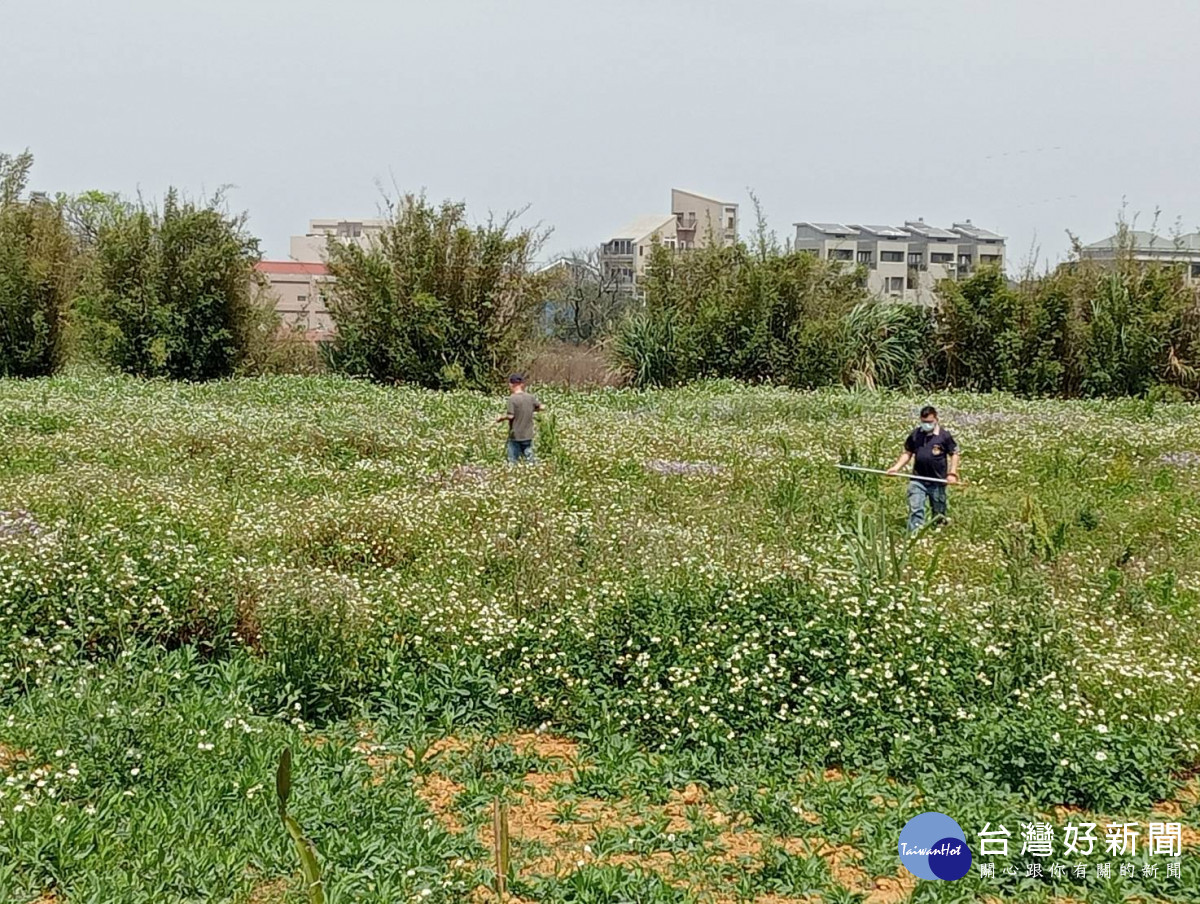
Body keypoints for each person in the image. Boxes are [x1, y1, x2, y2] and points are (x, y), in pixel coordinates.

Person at [886, 405, 960, 531]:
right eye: (924, 422)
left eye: (930, 422)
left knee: (938, 509)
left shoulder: (944, 436)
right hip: (918, 479)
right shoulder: (916, 434)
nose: (927, 424)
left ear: (936, 419)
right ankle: (915, 533)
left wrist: (952, 473)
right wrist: (896, 467)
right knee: (916, 508)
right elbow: (908, 453)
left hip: (937, 480)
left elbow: (954, 454)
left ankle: (939, 532)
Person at [496, 374, 544, 463]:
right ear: (522, 384)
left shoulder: (512, 399)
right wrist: (532, 409)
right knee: (529, 459)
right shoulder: (530, 397)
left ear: (511, 385)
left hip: (516, 436)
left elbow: (511, 416)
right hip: (528, 434)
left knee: (513, 461)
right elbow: (541, 407)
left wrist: (500, 418)